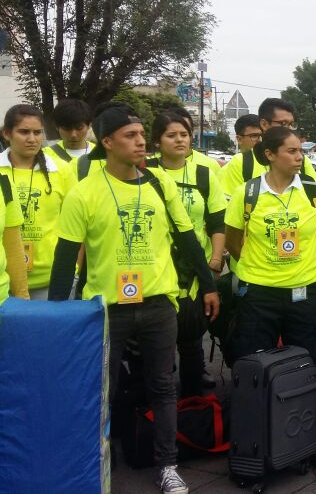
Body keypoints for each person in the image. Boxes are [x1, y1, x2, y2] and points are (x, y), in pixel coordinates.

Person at [48, 102, 219, 494]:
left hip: (159, 302)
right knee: (99, 388)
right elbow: (65, 257)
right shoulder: (84, 193)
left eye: (143, 135)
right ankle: (94, 460)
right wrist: (57, 314)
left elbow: (188, 239)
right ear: (107, 142)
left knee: (163, 385)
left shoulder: (161, 184)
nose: (141, 142)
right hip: (107, 308)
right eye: (131, 136)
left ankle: (168, 465)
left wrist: (209, 286)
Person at [224, 126, 316, 470]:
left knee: (310, 364)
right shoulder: (247, 193)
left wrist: (301, 268)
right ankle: (252, 444)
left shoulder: (313, 189)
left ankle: (313, 441)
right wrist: (260, 271)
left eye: (300, 151)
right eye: (291, 151)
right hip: (258, 295)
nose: (299, 157)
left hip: (304, 294)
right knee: (252, 367)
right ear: (270, 155)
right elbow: (233, 241)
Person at [148, 111, 227, 396]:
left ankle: (194, 392)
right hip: (156, 268)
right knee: (159, 338)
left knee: (193, 334)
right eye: (171, 135)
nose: (179, 140)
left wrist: (215, 262)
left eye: (184, 134)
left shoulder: (204, 174)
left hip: (197, 268)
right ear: (157, 141)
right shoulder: (143, 172)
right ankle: (162, 392)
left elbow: (218, 222)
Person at [0, 105, 72, 300]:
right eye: (24, 132)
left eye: (37, 132)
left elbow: (77, 224)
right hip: (4, 283)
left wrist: (75, 267)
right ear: (7, 133)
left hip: (52, 280)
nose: (32, 139)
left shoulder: (62, 170)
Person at [219, 98, 316, 196]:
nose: (289, 129)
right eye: (283, 123)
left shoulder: (302, 160)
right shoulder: (241, 162)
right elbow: (230, 207)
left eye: (291, 124)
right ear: (264, 124)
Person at [43, 98, 94, 162]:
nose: (73, 135)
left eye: (79, 128)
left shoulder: (103, 155)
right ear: (57, 127)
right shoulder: (44, 156)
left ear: (89, 125)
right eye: (67, 128)